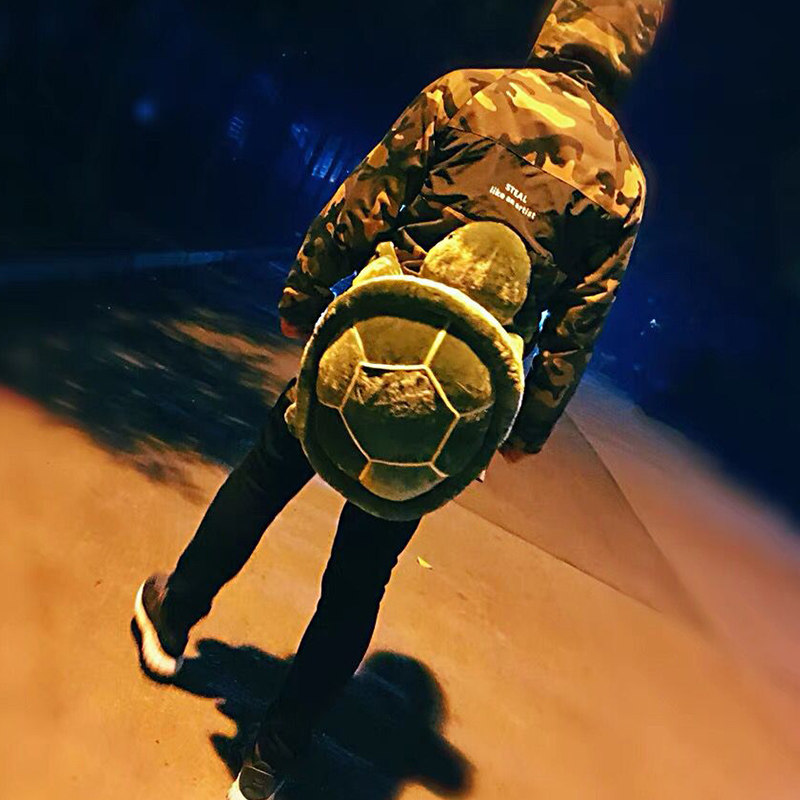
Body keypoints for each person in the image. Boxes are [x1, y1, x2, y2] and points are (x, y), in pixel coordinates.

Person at [132, 1, 667, 797]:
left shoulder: (466, 94)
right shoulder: (622, 182)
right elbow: (576, 327)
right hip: (450, 412)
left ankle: (171, 619)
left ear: (561, 22)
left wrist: (305, 288)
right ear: (631, 52)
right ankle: (271, 759)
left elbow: (366, 199)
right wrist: (527, 427)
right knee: (361, 576)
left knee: (268, 473)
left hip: (365, 349)